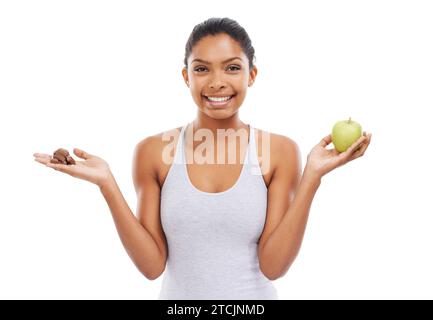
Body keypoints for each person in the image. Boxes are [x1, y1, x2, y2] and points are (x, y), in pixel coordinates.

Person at [33, 17, 372, 299]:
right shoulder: (153, 151)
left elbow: (274, 266)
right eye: (201, 69)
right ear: (187, 77)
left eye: (232, 68)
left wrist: (313, 176)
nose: (217, 82)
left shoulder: (279, 151)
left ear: (251, 75)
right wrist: (107, 183)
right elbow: (152, 267)